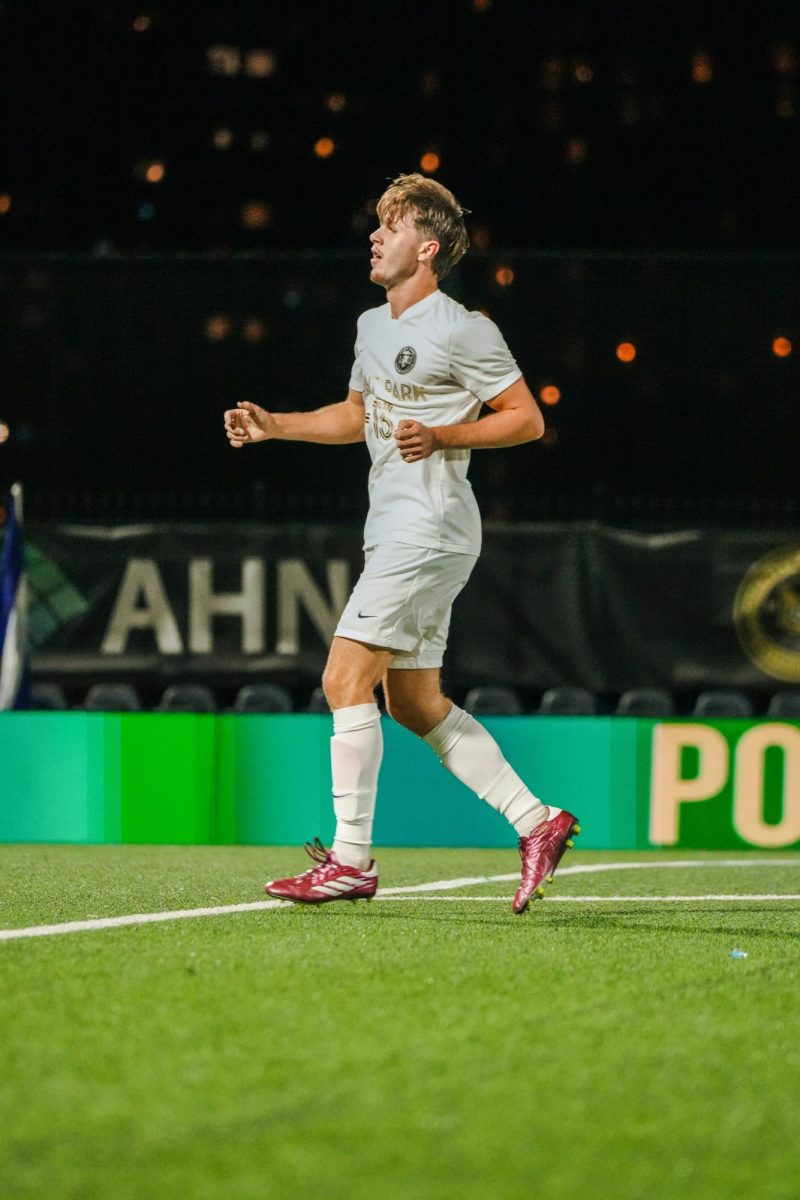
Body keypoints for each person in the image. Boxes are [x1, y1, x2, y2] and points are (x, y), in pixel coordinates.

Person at [224, 172, 579, 914]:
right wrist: (275, 423)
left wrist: (447, 432)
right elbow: (357, 416)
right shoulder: (371, 327)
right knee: (414, 703)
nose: (375, 237)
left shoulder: (463, 328)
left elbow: (527, 418)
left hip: (432, 524)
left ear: (429, 247)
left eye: (390, 227)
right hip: (397, 529)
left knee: (341, 679)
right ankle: (538, 821)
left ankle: (351, 860)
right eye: (377, 226)